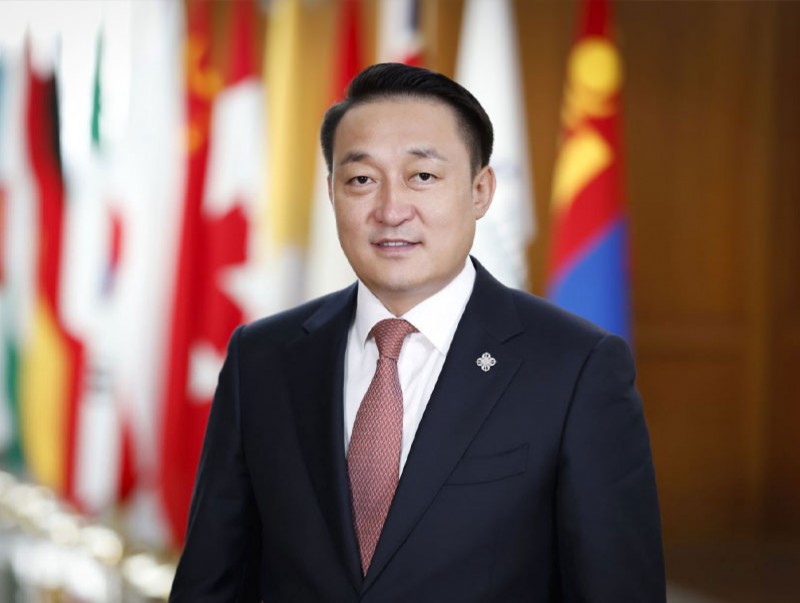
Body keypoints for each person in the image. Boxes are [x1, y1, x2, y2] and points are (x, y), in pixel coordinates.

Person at [170, 63, 665, 602]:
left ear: (480, 191)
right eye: (361, 180)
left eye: (422, 177)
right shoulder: (262, 358)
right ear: (332, 193)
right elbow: (211, 583)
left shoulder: (575, 368)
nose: (390, 210)